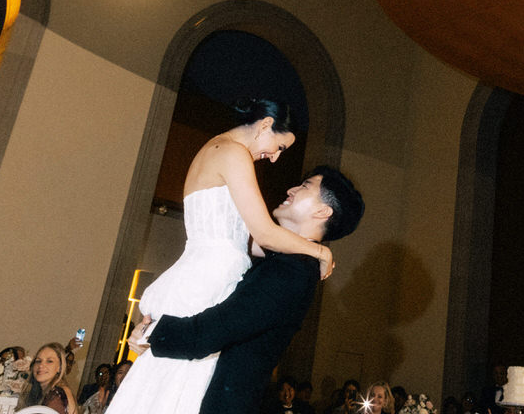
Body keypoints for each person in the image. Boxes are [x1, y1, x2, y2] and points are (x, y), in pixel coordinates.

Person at [106, 99, 334, 414]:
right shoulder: (233, 153)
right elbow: (265, 234)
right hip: (208, 280)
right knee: (182, 382)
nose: (275, 157)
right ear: (266, 124)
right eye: (279, 146)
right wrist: (318, 249)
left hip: (207, 271)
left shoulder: (219, 149)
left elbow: (251, 243)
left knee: (172, 379)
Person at [130, 165, 364, 414]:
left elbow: (212, 331)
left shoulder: (293, 272)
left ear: (322, 211)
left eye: (305, 186)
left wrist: (151, 332)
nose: (291, 189)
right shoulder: (285, 262)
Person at [19, 342, 78, 413]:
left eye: (49, 361)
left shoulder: (57, 395)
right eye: (38, 361)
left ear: (60, 368)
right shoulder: (48, 391)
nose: (41, 365)